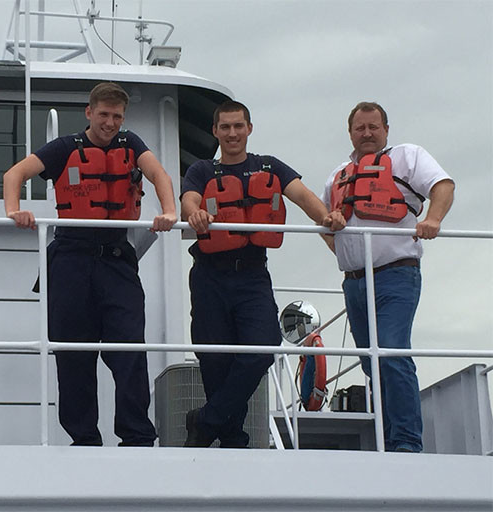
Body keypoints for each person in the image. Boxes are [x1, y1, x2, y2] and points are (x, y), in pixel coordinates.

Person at [2, 82, 177, 446]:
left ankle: (137, 436)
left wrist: (170, 211)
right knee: (73, 354)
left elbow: (159, 174)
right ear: (89, 113)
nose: (110, 123)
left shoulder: (132, 145)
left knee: (129, 349)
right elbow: (13, 175)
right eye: (104, 115)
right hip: (71, 259)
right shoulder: (65, 148)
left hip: (117, 260)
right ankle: (83, 438)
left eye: (116, 116)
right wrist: (13, 210)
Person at [181, 100, 345, 448]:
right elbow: (189, 200)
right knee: (214, 359)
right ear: (215, 132)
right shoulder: (201, 171)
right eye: (224, 127)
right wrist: (195, 214)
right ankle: (232, 439)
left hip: (252, 274)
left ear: (249, 129)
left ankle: (206, 421)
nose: (232, 133)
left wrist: (326, 218)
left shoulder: (270, 167)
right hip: (210, 275)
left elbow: (302, 195)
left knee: (262, 348)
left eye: (238, 126)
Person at [321, 101, 454, 452]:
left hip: (396, 275)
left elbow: (443, 186)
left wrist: (434, 219)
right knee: (370, 362)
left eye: (373, 127)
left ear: (386, 130)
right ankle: (389, 436)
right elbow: (324, 222)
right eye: (359, 128)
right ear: (350, 133)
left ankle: (407, 444)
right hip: (353, 282)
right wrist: (345, 250)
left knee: (392, 353)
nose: (366, 133)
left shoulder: (408, 156)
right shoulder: (337, 176)